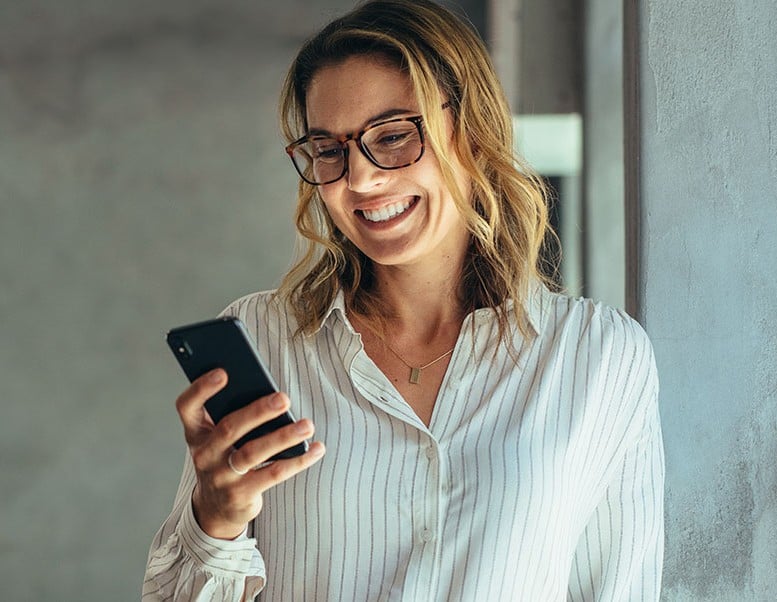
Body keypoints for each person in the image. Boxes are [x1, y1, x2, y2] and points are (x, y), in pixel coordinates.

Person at [142, 0, 664, 600]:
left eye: (392, 137)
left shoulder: (598, 357)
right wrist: (217, 519)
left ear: (470, 131)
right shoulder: (263, 340)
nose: (359, 181)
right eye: (329, 151)